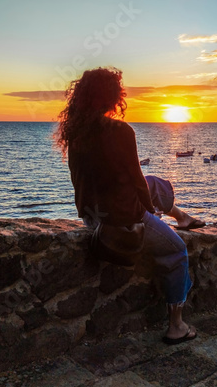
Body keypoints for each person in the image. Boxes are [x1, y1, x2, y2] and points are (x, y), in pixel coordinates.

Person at [54, 67, 204, 344]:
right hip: (121, 221)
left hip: (92, 217)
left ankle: (181, 216)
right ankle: (177, 326)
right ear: (114, 96)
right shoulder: (121, 130)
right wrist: (150, 213)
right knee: (178, 251)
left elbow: (83, 181)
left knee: (154, 182)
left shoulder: (76, 132)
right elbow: (135, 182)